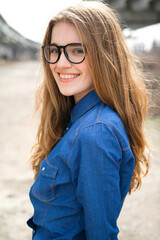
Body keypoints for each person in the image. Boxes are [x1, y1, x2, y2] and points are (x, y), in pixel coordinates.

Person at [27, 1, 150, 239]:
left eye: (77, 50)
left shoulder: (96, 133)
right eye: (54, 50)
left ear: (104, 54)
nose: (61, 63)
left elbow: (102, 234)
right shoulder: (80, 119)